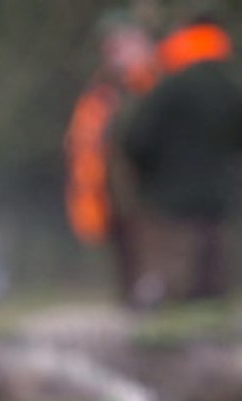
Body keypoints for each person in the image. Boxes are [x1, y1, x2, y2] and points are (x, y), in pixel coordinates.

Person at [119, 11, 242, 307]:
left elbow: (135, 140)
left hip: (168, 206)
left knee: (171, 289)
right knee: (213, 289)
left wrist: (147, 178)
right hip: (219, 203)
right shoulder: (236, 83)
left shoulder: (169, 86)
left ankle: (169, 346)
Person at [64, 12, 159, 304]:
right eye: (111, 48)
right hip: (111, 191)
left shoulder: (155, 84)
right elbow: (79, 142)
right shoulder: (99, 93)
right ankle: (132, 311)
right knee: (126, 257)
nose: (115, 55)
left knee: (153, 256)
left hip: (151, 190)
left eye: (121, 46)